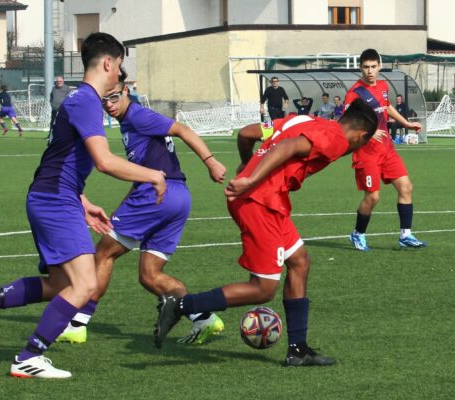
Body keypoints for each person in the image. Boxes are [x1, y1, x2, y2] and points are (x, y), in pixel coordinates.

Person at [0, 32, 167, 379]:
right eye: (119, 66)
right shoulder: (86, 101)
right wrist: (154, 175)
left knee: (57, 285)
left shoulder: (77, 99)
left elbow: (58, 158)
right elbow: (104, 161)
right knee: (85, 285)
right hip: (53, 201)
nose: (118, 75)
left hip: (54, 196)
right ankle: (28, 357)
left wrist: (82, 201)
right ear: (109, 63)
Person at [154, 99, 378, 367]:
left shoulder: (305, 120)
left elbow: (246, 133)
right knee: (262, 289)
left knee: (299, 262)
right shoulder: (336, 139)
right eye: (362, 144)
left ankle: (298, 349)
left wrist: (247, 166)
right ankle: (180, 306)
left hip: (269, 200)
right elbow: (288, 146)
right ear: (362, 135)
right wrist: (251, 178)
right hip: (259, 202)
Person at [57, 73, 227, 345]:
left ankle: (78, 324)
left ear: (126, 92)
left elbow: (182, 129)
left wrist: (211, 161)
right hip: (177, 197)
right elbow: (144, 167)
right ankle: (204, 319)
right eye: (104, 100)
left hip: (158, 194)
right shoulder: (128, 122)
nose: (109, 104)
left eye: (114, 97)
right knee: (150, 276)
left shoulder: (137, 116)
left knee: (103, 254)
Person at [346, 49, 426, 251]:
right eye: (366, 67)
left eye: (373, 67)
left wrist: (406, 124)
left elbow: (386, 106)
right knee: (373, 197)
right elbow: (346, 123)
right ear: (360, 67)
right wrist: (368, 133)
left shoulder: (382, 86)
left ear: (379, 66)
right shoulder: (354, 93)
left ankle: (405, 235)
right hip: (366, 153)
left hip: (387, 149)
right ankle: (358, 234)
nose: (370, 71)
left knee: (406, 187)